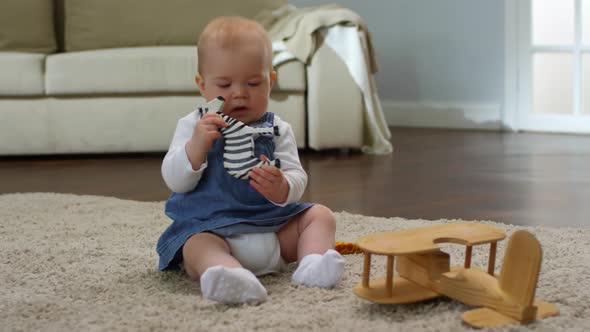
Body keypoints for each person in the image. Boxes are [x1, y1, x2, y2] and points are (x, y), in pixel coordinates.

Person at [156, 16, 345, 304]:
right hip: (213, 230)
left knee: (320, 216)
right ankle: (228, 274)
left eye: (254, 83)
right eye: (225, 84)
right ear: (202, 85)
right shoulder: (193, 126)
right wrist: (196, 148)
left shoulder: (277, 128)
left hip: (274, 231)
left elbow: (297, 175)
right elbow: (175, 180)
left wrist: (283, 187)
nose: (240, 93)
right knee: (194, 246)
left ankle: (313, 264)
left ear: (270, 81)